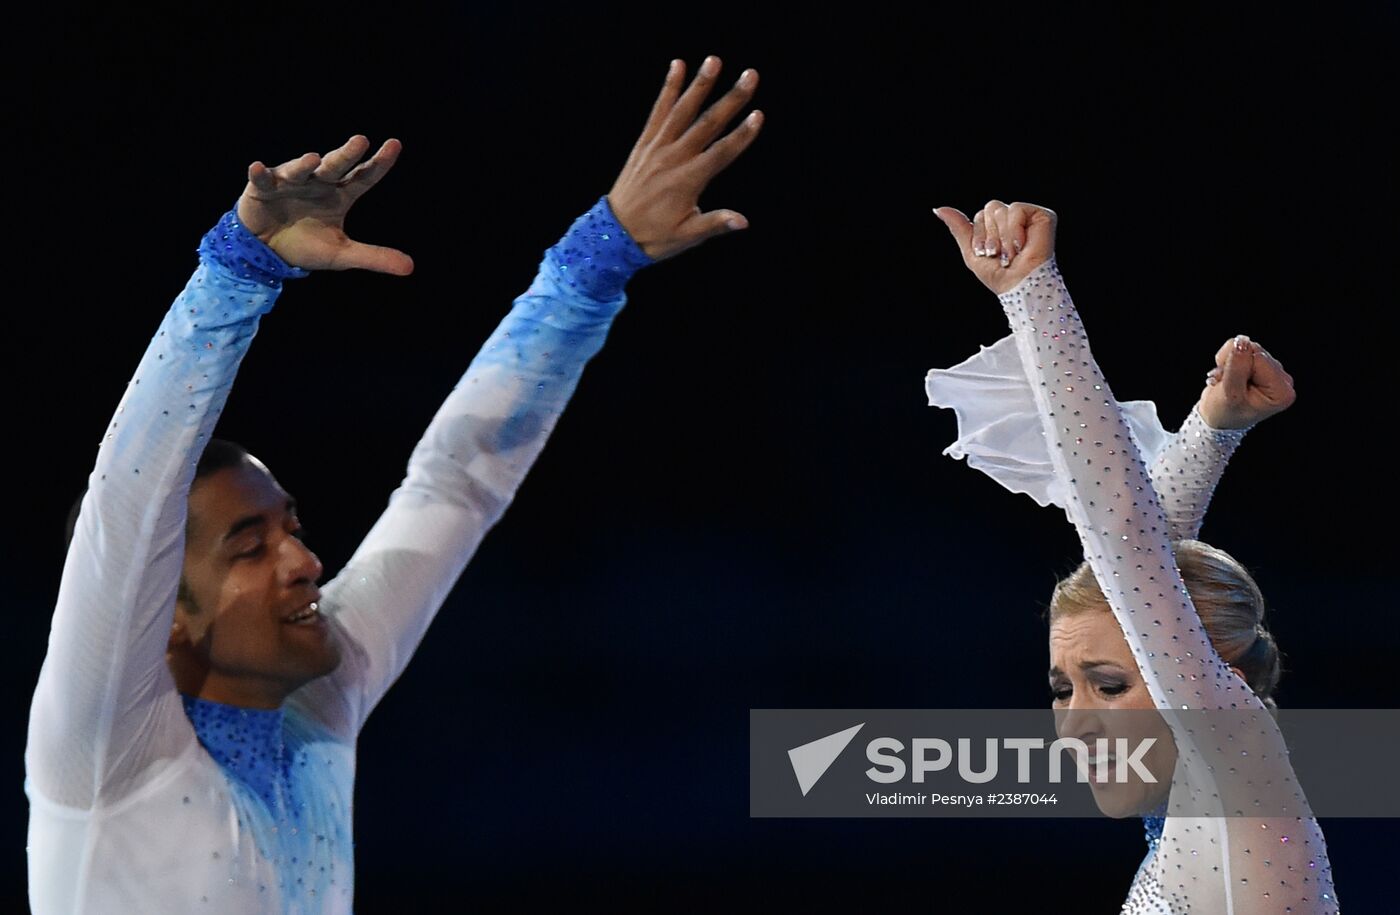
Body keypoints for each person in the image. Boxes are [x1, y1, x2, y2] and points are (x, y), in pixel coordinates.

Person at [26, 56, 763, 914]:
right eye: (250, 546)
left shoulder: (316, 709)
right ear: (168, 615)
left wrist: (596, 261)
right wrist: (235, 274)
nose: (305, 560)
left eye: (290, 527)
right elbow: (129, 505)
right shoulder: (106, 751)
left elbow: (452, 486)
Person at [926, 200, 1339, 913]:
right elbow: (1139, 567)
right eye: (1064, 689)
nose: (1076, 722)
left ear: (1212, 675)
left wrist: (1035, 296)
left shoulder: (1240, 764)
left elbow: (1127, 544)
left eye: (1110, 685)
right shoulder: (1196, 817)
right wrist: (1209, 433)